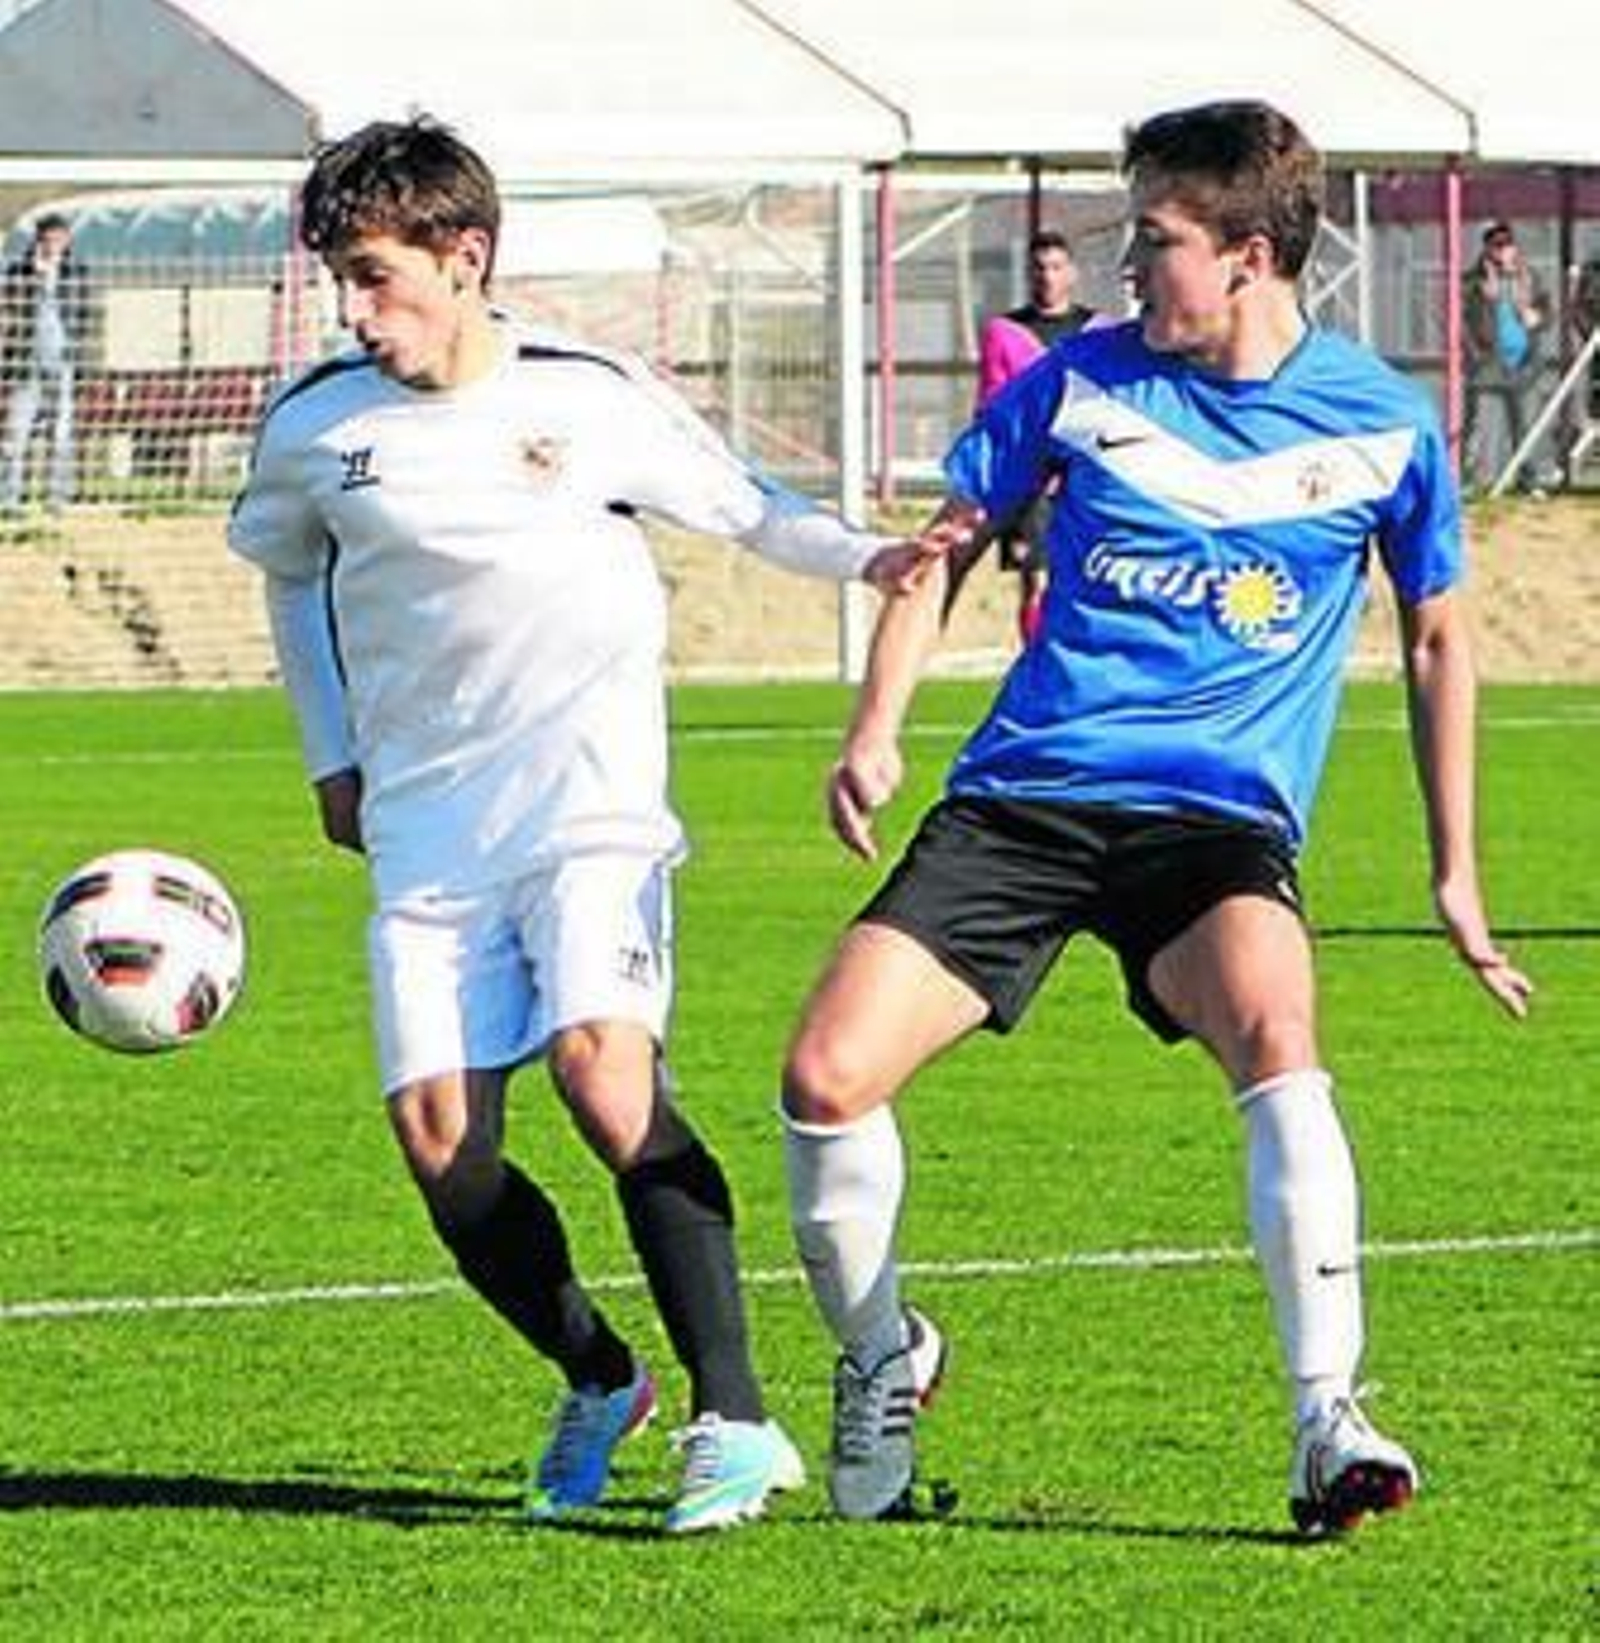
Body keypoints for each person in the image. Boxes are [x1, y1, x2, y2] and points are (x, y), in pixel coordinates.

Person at [778, 99, 1533, 1535]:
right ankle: (884, 1353)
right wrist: (876, 726)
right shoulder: (1073, 385)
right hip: (1024, 800)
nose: (1129, 266)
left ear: (1249, 253)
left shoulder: (1381, 423)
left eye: (1158, 238)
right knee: (824, 1075)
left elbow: (1441, 638)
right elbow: (938, 559)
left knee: (1275, 1029)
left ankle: (1329, 1415)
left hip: (1211, 823)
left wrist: (1457, 871)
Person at [227, 116, 930, 1536]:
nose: (354, 313)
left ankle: (737, 1417)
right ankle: (601, 1375)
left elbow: (745, 511)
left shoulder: (589, 394)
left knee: (604, 1075)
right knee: (443, 1141)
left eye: (374, 277)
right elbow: (292, 586)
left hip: (590, 806)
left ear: (465, 256)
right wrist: (332, 756)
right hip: (427, 819)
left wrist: (874, 555)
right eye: (338, 284)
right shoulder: (315, 427)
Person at [975, 230, 1098, 643]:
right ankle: (1035, 664)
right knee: (1036, 580)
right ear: (1028, 274)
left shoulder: (1098, 331)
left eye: (1056, 267)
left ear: (1072, 273)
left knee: (1087, 577)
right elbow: (994, 406)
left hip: (1085, 477)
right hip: (1033, 483)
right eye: (1039, 268)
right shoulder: (1006, 332)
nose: (1047, 276)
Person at [1, 213, 93, 515]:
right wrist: (35, 277)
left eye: (58, 238)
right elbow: (10, 309)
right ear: (37, 240)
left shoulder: (75, 272)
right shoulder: (18, 271)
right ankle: (9, 499)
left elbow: (83, 314)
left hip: (63, 361)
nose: (52, 244)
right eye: (46, 238)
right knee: (17, 431)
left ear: (67, 240)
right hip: (26, 362)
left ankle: (56, 500)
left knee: (60, 432)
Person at [1462, 221, 1552, 494]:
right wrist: (1473, 352)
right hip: (1487, 363)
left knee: (1524, 424)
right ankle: (1469, 479)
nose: (1504, 250)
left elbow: (1547, 311)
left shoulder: (1529, 277)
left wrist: (1537, 317)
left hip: (1523, 362)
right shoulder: (1473, 281)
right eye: (1497, 245)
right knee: (1476, 425)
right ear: (1487, 248)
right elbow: (1461, 321)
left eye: (1508, 243)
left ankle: (1529, 480)